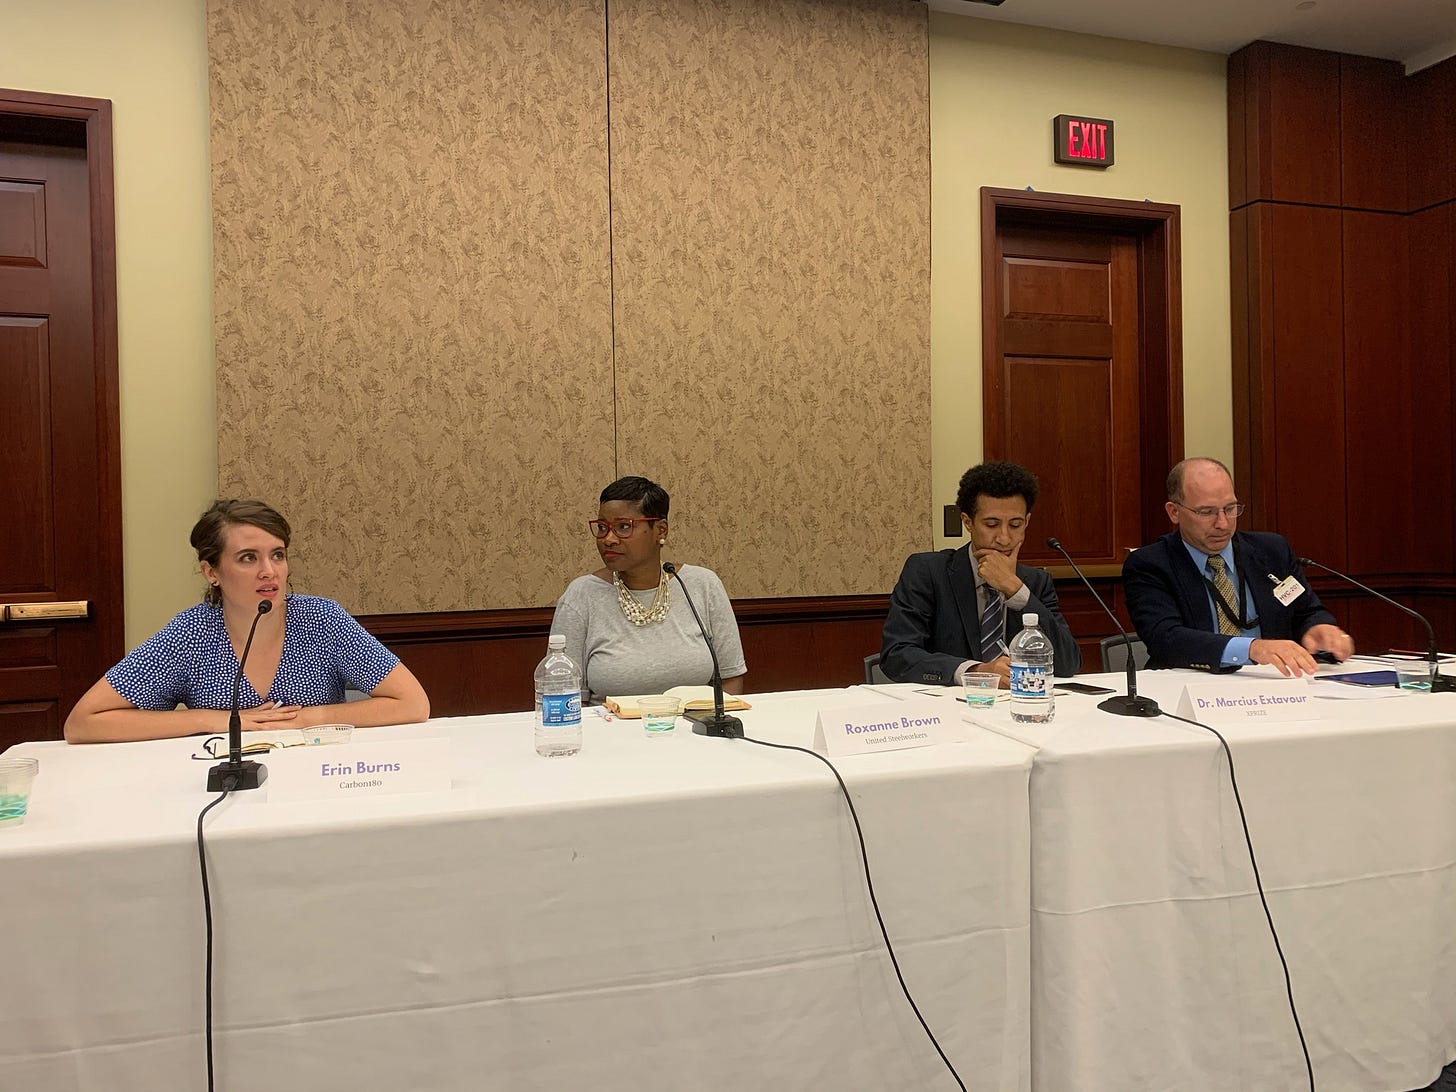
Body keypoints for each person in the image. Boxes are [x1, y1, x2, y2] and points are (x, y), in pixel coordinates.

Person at [64, 499, 430, 743]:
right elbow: (83, 723)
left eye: (277, 555)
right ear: (211, 572)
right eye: (248, 558)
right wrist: (215, 720)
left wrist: (306, 719)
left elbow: (413, 703)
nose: (269, 571)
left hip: (315, 784)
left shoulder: (321, 619)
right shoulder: (191, 633)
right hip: (229, 791)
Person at [1123, 457, 1354, 675]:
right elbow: (1166, 639)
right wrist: (1251, 649)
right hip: (1192, 687)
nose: (1222, 523)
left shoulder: (1272, 551)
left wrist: (1318, 628)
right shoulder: (1150, 564)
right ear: (1174, 512)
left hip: (1274, 685)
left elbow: (1306, 611)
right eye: (1207, 512)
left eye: (1230, 508)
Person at [880, 461, 1081, 686]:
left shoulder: (1035, 582)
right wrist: (977, 671)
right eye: (991, 525)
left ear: (1026, 522)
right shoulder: (928, 572)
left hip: (1018, 700)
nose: (1004, 538)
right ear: (968, 522)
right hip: (949, 702)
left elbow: (1068, 663)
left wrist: (1015, 590)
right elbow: (897, 655)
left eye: (1015, 525)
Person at [550, 475, 746, 704]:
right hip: (610, 726)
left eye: (623, 527)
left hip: (694, 725)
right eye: (602, 527)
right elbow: (565, 697)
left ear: (661, 530)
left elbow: (731, 679)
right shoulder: (581, 596)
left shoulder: (703, 585)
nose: (608, 539)